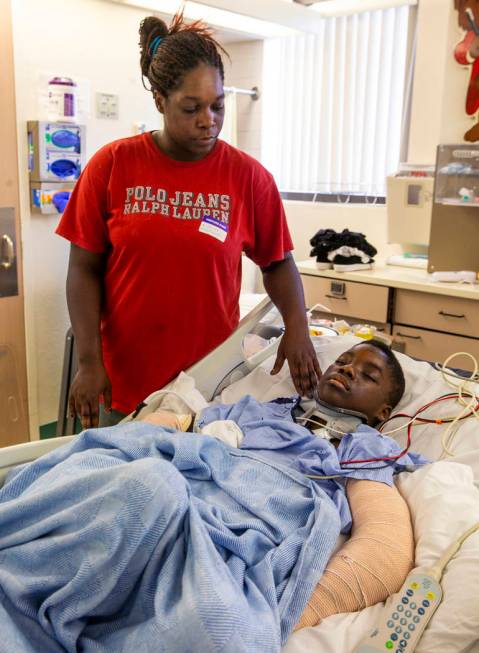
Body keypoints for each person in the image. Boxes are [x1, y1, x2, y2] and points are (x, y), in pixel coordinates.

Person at [56, 11, 320, 430]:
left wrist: (298, 328)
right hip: (126, 382)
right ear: (160, 100)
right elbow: (82, 270)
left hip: (209, 386)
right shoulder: (113, 165)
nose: (208, 120)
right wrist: (88, 362)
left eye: (217, 106)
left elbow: (277, 263)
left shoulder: (248, 178)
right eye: (191, 107)